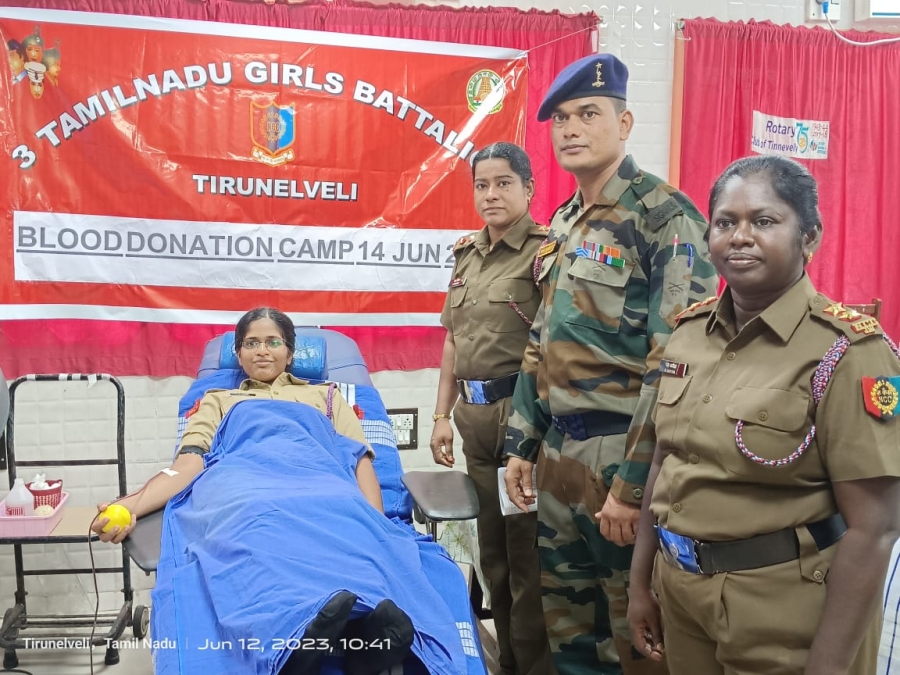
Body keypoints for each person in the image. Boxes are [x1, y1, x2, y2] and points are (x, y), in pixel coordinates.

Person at [627, 155, 900, 675]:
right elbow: (665, 466)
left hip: (781, 610)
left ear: (809, 237)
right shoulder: (688, 334)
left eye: (765, 221)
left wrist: (829, 667)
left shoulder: (848, 352)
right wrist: (641, 584)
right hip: (681, 596)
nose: (740, 236)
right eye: (726, 222)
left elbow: (875, 530)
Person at [92, 307, 468, 675]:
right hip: (244, 486)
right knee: (257, 524)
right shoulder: (217, 401)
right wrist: (132, 505)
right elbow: (187, 464)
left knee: (350, 527)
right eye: (251, 342)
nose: (262, 350)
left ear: (290, 353)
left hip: (319, 483)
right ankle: (302, 640)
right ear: (238, 353)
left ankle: (355, 640)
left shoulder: (329, 397)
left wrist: (375, 523)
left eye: (273, 341)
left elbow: (359, 462)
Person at [501, 52, 718, 675]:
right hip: (559, 462)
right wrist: (522, 441)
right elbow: (541, 340)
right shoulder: (565, 222)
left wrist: (630, 487)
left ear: (624, 125)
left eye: (587, 114)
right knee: (571, 638)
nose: (570, 129)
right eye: (561, 118)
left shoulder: (665, 216)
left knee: (638, 642)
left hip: (623, 462)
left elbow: (672, 364)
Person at [431, 142, 554, 675]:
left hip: (520, 423)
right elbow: (452, 345)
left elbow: (554, 346)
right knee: (494, 558)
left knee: (529, 559)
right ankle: (506, 660)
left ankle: (534, 667)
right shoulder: (466, 256)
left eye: (503, 183)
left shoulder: (547, 253)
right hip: (475, 424)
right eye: (482, 184)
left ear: (528, 188)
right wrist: (440, 416)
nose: (491, 194)